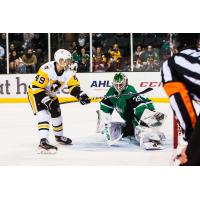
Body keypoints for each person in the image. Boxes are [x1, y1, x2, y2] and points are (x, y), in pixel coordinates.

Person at [27, 49, 90, 153]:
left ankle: (59, 137)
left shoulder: (70, 70)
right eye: (65, 60)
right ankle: (43, 142)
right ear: (59, 60)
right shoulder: (46, 69)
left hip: (51, 94)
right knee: (44, 114)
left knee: (56, 114)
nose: (68, 62)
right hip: (36, 93)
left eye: (69, 60)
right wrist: (46, 100)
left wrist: (80, 95)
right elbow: (36, 88)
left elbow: (73, 86)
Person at [96, 72, 166, 149]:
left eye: (121, 85)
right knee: (122, 128)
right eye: (116, 85)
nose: (118, 87)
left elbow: (140, 108)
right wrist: (103, 124)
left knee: (140, 127)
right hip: (129, 119)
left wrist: (148, 119)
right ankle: (122, 127)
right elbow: (105, 110)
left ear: (126, 83)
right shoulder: (111, 92)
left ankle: (151, 134)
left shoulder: (130, 91)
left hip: (139, 114)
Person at [161, 33, 200, 165]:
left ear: (174, 47)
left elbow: (181, 104)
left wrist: (191, 141)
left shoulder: (172, 63)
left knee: (188, 162)